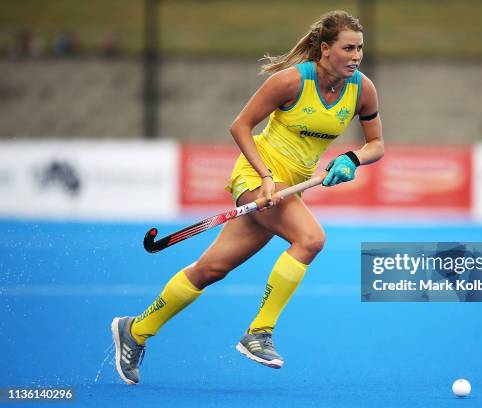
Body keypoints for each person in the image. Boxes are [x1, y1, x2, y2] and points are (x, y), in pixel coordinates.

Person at [111, 9, 384, 385]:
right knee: (311, 239)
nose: (356, 56)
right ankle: (259, 332)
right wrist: (266, 176)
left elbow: (376, 145)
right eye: (348, 48)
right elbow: (239, 125)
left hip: (290, 188)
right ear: (325, 49)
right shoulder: (290, 82)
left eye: (360, 48)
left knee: (210, 270)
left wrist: (351, 158)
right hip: (257, 178)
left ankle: (136, 330)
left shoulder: (361, 89)